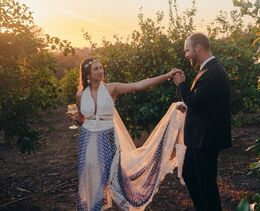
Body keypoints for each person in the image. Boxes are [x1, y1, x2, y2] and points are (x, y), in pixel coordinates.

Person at [75, 57, 186, 211]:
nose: (101, 71)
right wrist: (77, 120)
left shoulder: (111, 89)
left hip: (107, 139)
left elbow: (139, 85)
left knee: (115, 180)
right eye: (96, 69)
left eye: (101, 67)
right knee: (93, 182)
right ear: (87, 73)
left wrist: (167, 75)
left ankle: (126, 208)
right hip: (88, 141)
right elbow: (81, 118)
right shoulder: (80, 96)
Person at [173, 32, 232, 211]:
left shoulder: (213, 72)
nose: (186, 55)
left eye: (187, 50)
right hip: (199, 138)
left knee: (206, 184)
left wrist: (181, 85)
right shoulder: (208, 70)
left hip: (206, 139)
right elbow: (203, 103)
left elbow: (196, 102)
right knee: (190, 174)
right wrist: (188, 106)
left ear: (198, 48)